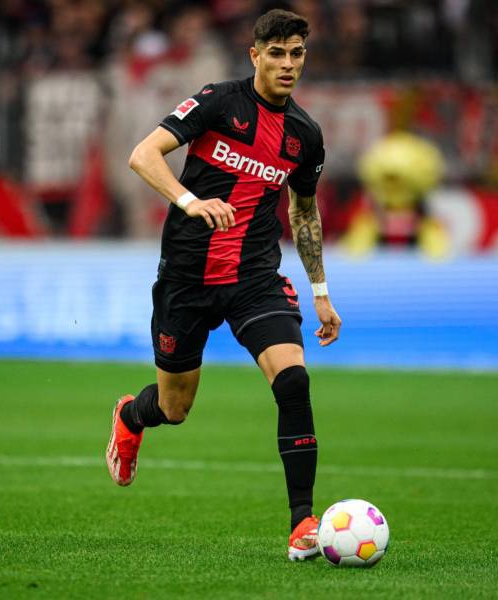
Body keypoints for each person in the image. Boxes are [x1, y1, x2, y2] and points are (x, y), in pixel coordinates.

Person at [105, 9, 341, 562]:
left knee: (293, 382)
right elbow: (143, 155)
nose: (288, 64)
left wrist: (321, 290)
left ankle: (302, 521)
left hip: (255, 277)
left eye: (297, 53)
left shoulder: (305, 134)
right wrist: (190, 201)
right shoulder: (217, 101)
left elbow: (304, 212)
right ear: (254, 55)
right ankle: (130, 417)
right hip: (186, 279)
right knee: (175, 407)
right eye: (276, 53)